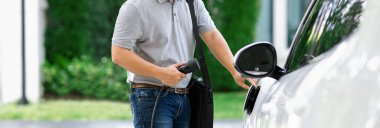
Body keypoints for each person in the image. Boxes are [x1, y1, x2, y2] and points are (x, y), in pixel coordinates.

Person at [111, 0, 256, 127]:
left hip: (184, 96)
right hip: (150, 96)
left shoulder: (193, 3)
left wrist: (235, 69)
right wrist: (160, 73)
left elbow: (212, 36)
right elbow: (119, 54)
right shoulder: (135, 7)